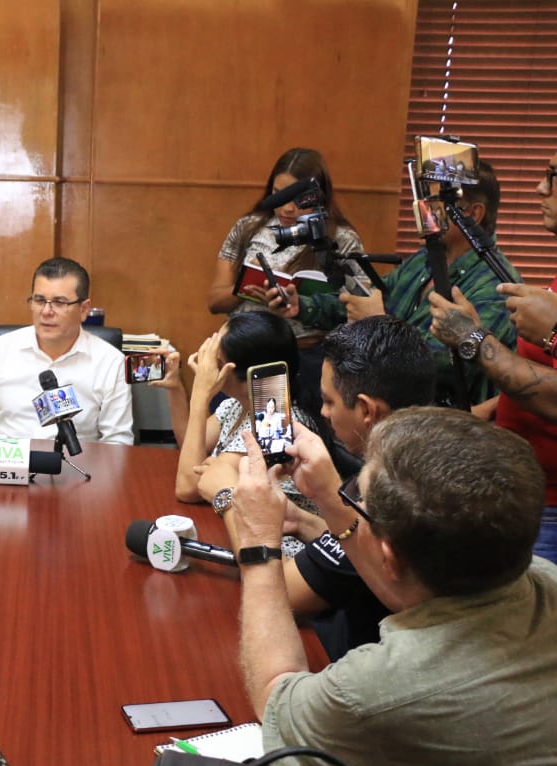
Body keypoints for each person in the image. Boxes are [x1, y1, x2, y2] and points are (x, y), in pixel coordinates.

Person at [228, 407, 557, 766]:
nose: (351, 500)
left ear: (391, 555)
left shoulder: (378, 690)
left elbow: (274, 694)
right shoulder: (539, 577)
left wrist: (257, 541)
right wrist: (328, 496)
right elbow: (394, 578)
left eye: (357, 496)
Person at [273, 316, 436, 660]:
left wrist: (231, 501)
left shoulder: (385, 499)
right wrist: (305, 520)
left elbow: (280, 595)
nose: (323, 412)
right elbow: (353, 555)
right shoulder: (431, 458)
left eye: (329, 401)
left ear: (365, 409)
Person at [427, 151, 557, 564]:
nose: (540, 187)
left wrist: (472, 338)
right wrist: (478, 418)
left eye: (553, 175)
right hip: (523, 489)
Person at [342, 159, 518, 407]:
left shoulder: (498, 285)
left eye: (435, 203)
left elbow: (447, 366)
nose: (424, 211)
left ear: (472, 214)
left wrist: (380, 324)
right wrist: (302, 305)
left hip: (441, 418)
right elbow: (373, 297)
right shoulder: (425, 257)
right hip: (389, 400)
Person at [207, 148, 366, 416]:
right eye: (279, 194)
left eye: (297, 199)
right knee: (229, 430)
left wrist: (303, 304)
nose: (287, 208)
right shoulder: (249, 227)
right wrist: (248, 285)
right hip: (244, 354)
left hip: (306, 358)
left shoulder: (340, 238)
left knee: (284, 435)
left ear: (317, 195)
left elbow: (359, 311)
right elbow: (214, 301)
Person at [0, 257, 134, 445]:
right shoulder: (0, 350)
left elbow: (118, 441)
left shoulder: (110, 362)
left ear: (83, 309)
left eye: (59, 302)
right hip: (7, 459)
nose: (46, 311)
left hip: (77, 462)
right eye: (40, 300)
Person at [164, 312, 313, 522]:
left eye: (215, 359)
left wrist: (200, 394)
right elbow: (191, 445)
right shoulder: (236, 405)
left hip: (277, 535)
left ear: (242, 372)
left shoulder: (275, 424)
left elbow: (188, 487)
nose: (207, 364)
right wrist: (176, 389)